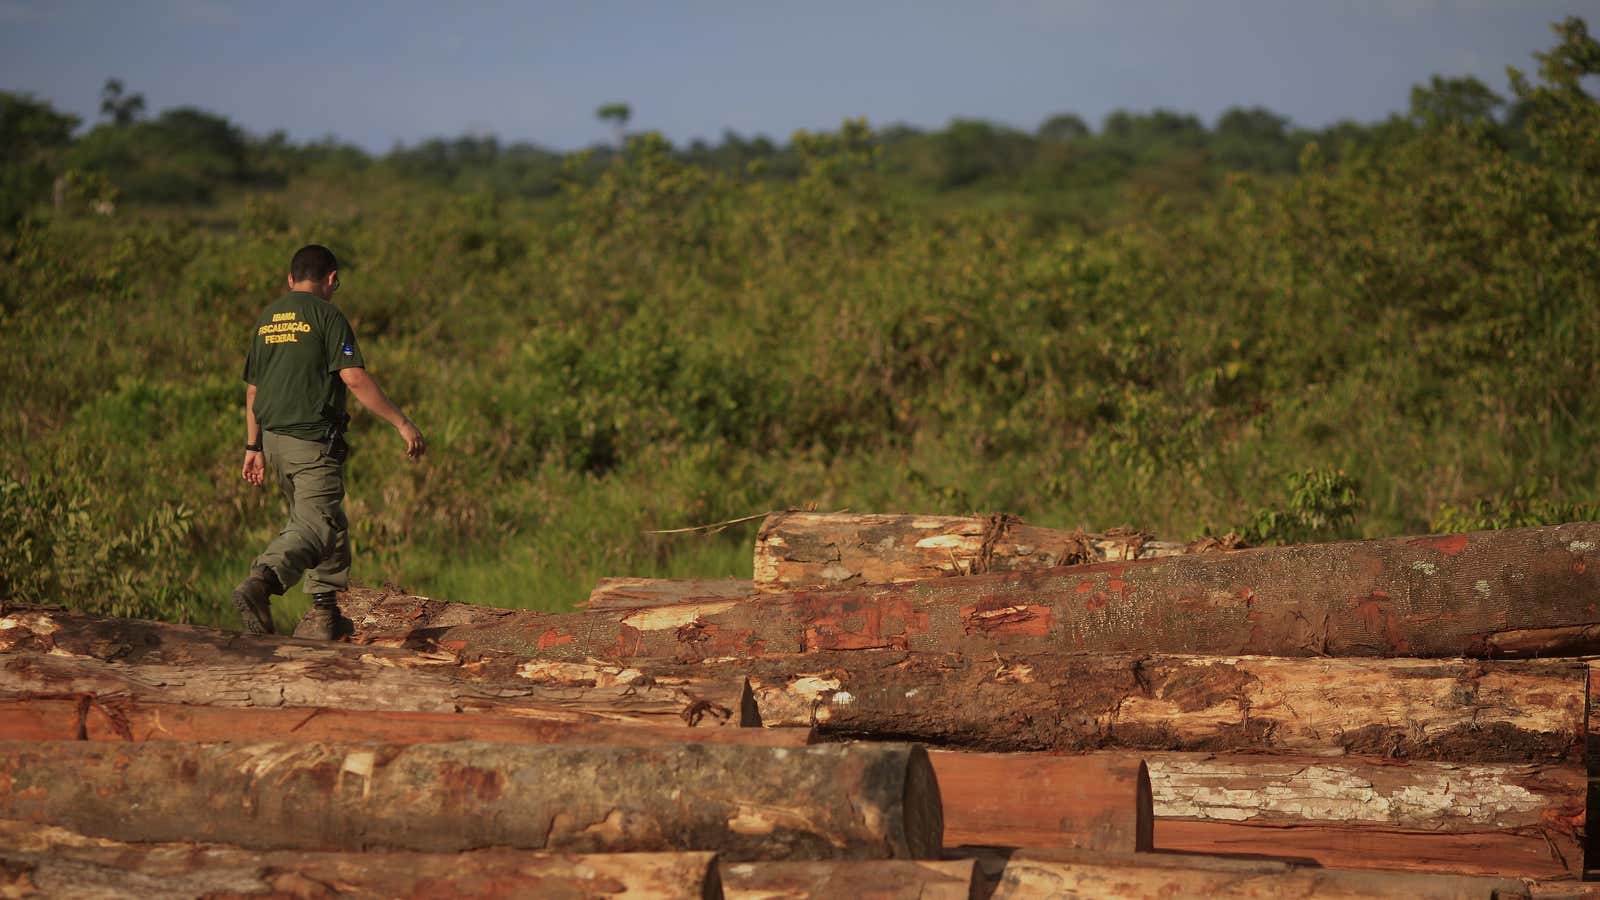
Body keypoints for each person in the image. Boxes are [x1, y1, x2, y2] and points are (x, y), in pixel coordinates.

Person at [232, 244, 425, 639]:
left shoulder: (267, 319)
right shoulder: (328, 315)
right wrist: (402, 422)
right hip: (309, 441)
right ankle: (262, 581)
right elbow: (353, 378)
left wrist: (253, 448)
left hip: (273, 442)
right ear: (332, 279)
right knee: (315, 525)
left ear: (290, 279)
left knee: (330, 521)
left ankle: (324, 613)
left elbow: (254, 390)